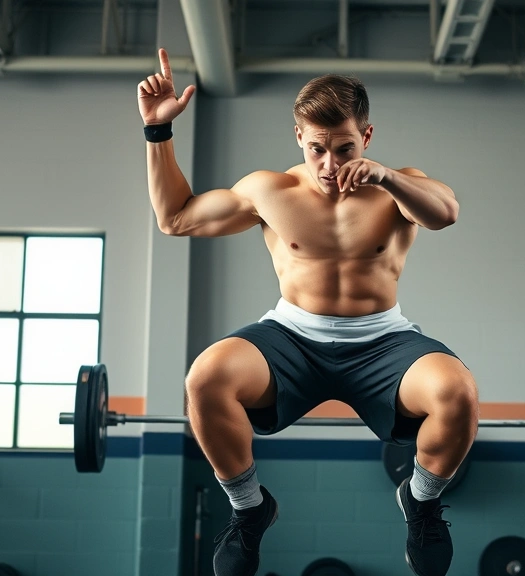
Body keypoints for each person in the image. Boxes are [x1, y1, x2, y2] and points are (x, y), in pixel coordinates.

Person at [137, 48, 479, 576]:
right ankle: (250, 510)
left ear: (366, 136)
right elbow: (176, 219)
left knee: (456, 391)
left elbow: (446, 214)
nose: (330, 164)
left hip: (383, 340)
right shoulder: (269, 190)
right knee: (205, 377)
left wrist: (386, 178)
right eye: (317, 148)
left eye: (344, 148)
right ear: (298, 136)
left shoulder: (401, 186)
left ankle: (421, 501)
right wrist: (158, 132)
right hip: (291, 336)